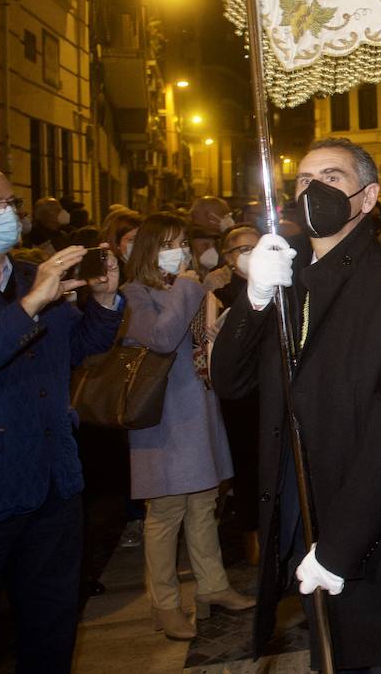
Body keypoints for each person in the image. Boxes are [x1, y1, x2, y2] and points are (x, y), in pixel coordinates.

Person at [211, 137, 381, 672]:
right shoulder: (285, 281)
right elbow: (230, 381)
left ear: (368, 197)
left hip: (374, 541)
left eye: (332, 178)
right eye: (303, 180)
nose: (314, 190)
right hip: (303, 522)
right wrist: (253, 299)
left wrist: (338, 548)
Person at [0, 159, 124, 672]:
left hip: (55, 481)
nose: (7, 214)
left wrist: (104, 300)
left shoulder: (32, 274)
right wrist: (29, 304)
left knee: (52, 623)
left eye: (10, 203)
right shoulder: (28, 288)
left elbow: (79, 348)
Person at [122, 213, 251, 640]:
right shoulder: (135, 293)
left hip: (198, 409)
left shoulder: (187, 287)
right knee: (165, 512)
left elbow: (201, 339)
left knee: (203, 504)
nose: (178, 251)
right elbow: (160, 338)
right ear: (149, 251)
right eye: (168, 244)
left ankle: (212, 587)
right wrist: (188, 287)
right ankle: (164, 604)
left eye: (181, 242)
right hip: (163, 419)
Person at [214, 223, 263, 565]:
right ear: (229, 259)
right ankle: (253, 536)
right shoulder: (218, 297)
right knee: (248, 469)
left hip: (275, 393)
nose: (249, 254)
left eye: (255, 247)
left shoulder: (284, 289)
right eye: (241, 250)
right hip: (241, 399)